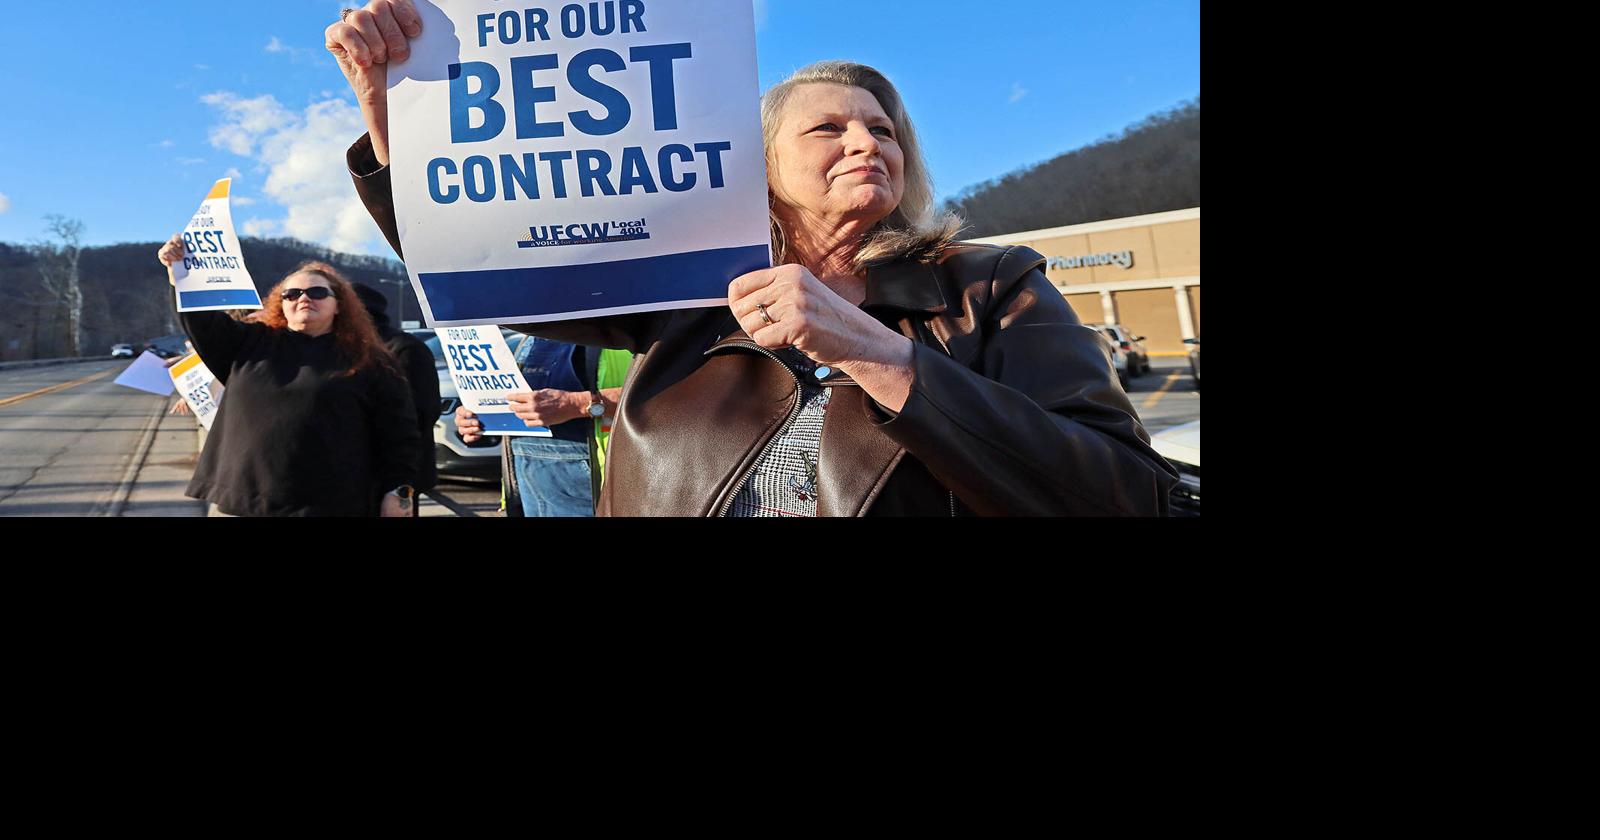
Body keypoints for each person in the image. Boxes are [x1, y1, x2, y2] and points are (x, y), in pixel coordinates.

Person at [327, 3, 1177, 515]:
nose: (866, 142)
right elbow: (493, 259)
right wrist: (395, 119)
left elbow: (1123, 493)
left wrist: (879, 354)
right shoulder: (684, 282)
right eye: (829, 128)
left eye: (884, 129)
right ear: (760, 166)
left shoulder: (990, 285)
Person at [159, 235, 422, 516]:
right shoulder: (251, 343)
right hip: (249, 501)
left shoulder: (370, 361)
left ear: (339, 305)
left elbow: (399, 435)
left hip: (334, 504)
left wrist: (399, 492)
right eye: (292, 294)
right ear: (281, 304)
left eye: (318, 293)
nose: (304, 298)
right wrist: (180, 274)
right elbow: (202, 322)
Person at [452, 338, 628, 517]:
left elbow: (657, 397)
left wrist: (578, 403)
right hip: (530, 480)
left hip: (605, 482)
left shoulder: (638, 318)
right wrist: (477, 416)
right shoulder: (531, 336)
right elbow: (513, 398)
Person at [353, 282, 440, 502]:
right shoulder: (348, 347)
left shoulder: (404, 349)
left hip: (397, 473)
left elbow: (423, 412)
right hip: (357, 472)